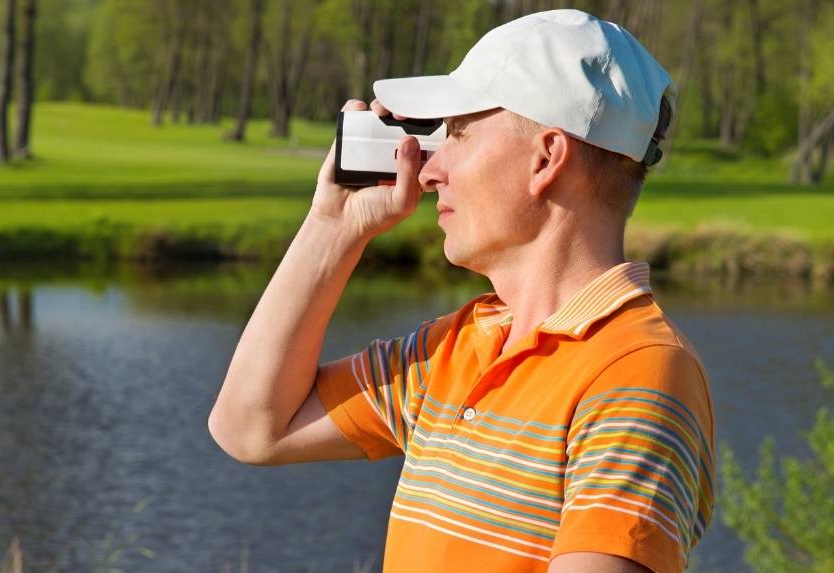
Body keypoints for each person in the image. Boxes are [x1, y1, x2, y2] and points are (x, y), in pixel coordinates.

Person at [209, 9, 714, 573]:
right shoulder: (455, 349)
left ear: (545, 158)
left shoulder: (638, 374)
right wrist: (334, 227)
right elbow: (252, 429)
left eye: (458, 132)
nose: (428, 170)